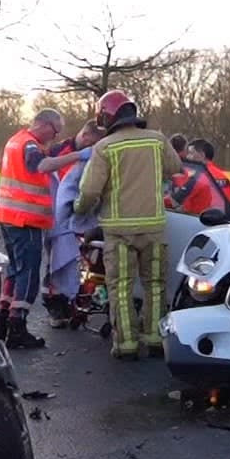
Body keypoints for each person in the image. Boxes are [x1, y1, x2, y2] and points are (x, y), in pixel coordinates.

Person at [75, 90, 185, 360]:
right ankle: (156, 338)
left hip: (119, 231)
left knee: (121, 287)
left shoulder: (105, 147)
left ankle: (126, 345)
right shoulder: (157, 140)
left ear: (106, 117)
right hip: (153, 228)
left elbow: (89, 191)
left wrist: (79, 209)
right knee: (155, 284)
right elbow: (175, 167)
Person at [0, 108, 64, 349]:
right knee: (29, 274)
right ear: (45, 125)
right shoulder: (30, 146)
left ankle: (1, 323)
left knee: (14, 270)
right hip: (27, 219)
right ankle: (17, 328)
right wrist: (79, 156)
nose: (53, 137)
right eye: (55, 132)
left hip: (8, 216)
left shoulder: (14, 141)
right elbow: (40, 165)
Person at [42, 122, 104, 326]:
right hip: (57, 218)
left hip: (81, 217)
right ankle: (56, 309)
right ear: (85, 137)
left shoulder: (89, 155)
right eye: (93, 144)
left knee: (85, 262)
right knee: (57, 264)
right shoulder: (58, 151)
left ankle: (78, 301)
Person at [170, 138, 230, 217]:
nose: (187, 157)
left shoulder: (198, 177)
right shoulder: (224, 177)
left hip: (198, 221)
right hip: (221, 221)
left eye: (191, 153)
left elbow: (174, 201)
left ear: (202, 155)